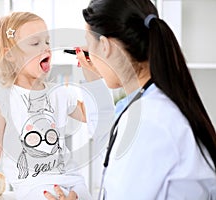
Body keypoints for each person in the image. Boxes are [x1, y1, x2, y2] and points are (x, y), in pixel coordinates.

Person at [44, 0, 216, 199]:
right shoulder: (150, 104)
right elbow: (110, 142)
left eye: (89, 43)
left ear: (105, 45)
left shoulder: (150, 122)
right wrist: (93, 77)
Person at [0, 11, 112, 200]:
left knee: (83, 196)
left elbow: (89, 116)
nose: (45, 48)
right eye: (35, 43)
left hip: (71, 177)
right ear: (10, 55)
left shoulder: (59, 92)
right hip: (33, 184)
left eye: (47, 42)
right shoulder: (3, 98)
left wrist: (91, 75)